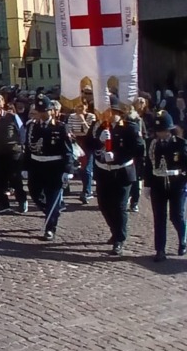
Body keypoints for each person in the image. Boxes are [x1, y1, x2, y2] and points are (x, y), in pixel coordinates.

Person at [88, 107, 145, 257]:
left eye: (112, 112)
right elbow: (87, 144)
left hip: (122, 171)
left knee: (119, 206)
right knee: (104, 205)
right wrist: (98, 141)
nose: (108, 114)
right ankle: (115, 230)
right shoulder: (99, 126)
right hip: (103, 171)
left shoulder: (130, 128)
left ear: (119, 113)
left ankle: (119, 238)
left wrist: (118, 156)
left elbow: (139, 149)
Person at [27, 99, 73, 242]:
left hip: (54, 166)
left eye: (45, 111)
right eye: (40, 111)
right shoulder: (32, 126)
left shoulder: (60, 127)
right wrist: (24, 166)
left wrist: (67, 169)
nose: (42, 114)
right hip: (36, 165)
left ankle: (50, 228)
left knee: (53, 197)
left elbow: (68, 151)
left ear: (51, 111)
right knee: (34, 192)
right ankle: (50, 211)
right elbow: (28, 147)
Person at [147, 111, 187, 262]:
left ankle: (182, 238)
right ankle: (160, 249)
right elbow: (148, 166)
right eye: (158, 131)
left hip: (176, 184)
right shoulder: (152, 144)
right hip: (158, 183)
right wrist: (147, 185)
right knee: (159, 217)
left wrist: (183, 178)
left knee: (176, 215)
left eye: (163, 130)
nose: (160, 134)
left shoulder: (180, 143)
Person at [0, 100, 27, 213]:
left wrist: (21, 146)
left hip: (13, 152)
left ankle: (22, 201)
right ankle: (3, 204)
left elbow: (22, 132)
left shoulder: (12, 117)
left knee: (15, 178)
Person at [65, 103, 95, 204]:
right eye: (78, 106)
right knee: (75, 167)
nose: (80, 108)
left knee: (86, 168)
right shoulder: (72, 117)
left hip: (87, 142)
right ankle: (66, 189)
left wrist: (82, 120)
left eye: (82, 106)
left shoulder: (91, 116)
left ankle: (87, 191)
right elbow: (69, 129)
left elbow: (90, 131)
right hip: (76, 142)